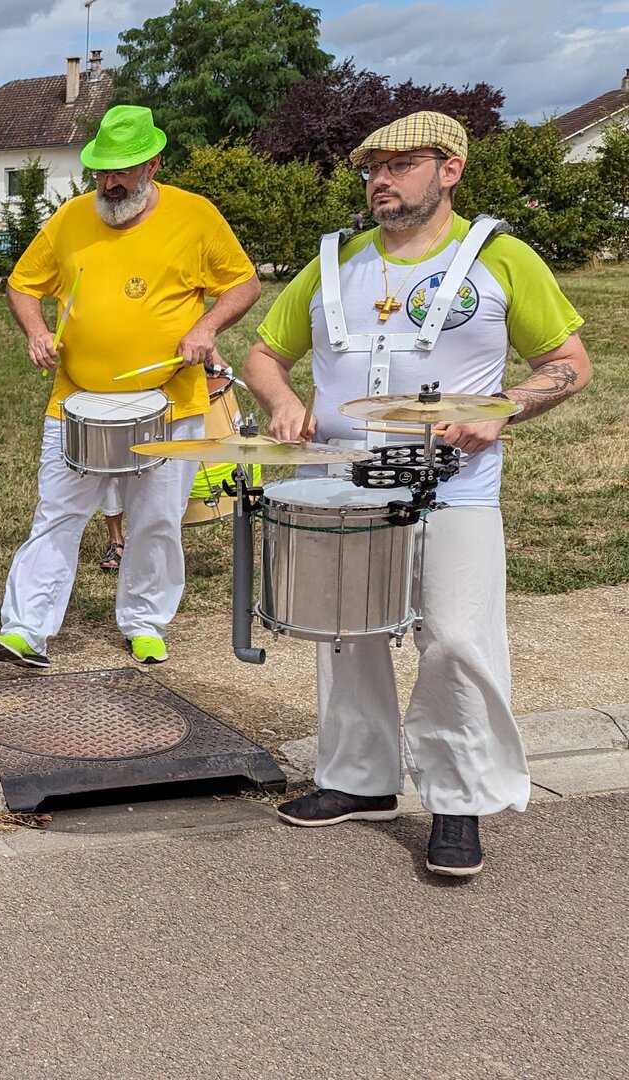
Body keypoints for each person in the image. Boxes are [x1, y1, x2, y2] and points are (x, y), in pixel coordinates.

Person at [244, 112, 592, 877]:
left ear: (450, 169)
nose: (380, 179)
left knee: (459, 640)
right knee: (347, 635)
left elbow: (569, 362)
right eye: (373, 167)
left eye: (400, 165)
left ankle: (458, 797)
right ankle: (358, 779)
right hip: (340, 482)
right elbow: (265, 354)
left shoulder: (500, 257)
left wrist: (502, 408)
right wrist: (282, 401)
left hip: (453, 486)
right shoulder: (333, 261)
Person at [0, 105, 259, 669]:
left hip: (169, 402)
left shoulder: (195, 215)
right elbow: (21, 284)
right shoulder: (69, 218)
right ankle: (26, 629)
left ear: (153, 164)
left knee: (156, 520)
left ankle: (145, 622)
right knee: (57, 514)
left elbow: (245, 283)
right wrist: (36, 331)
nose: (110, 183)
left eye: (123, 171)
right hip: (76, 401)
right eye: (102, 171)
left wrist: (206, 328)